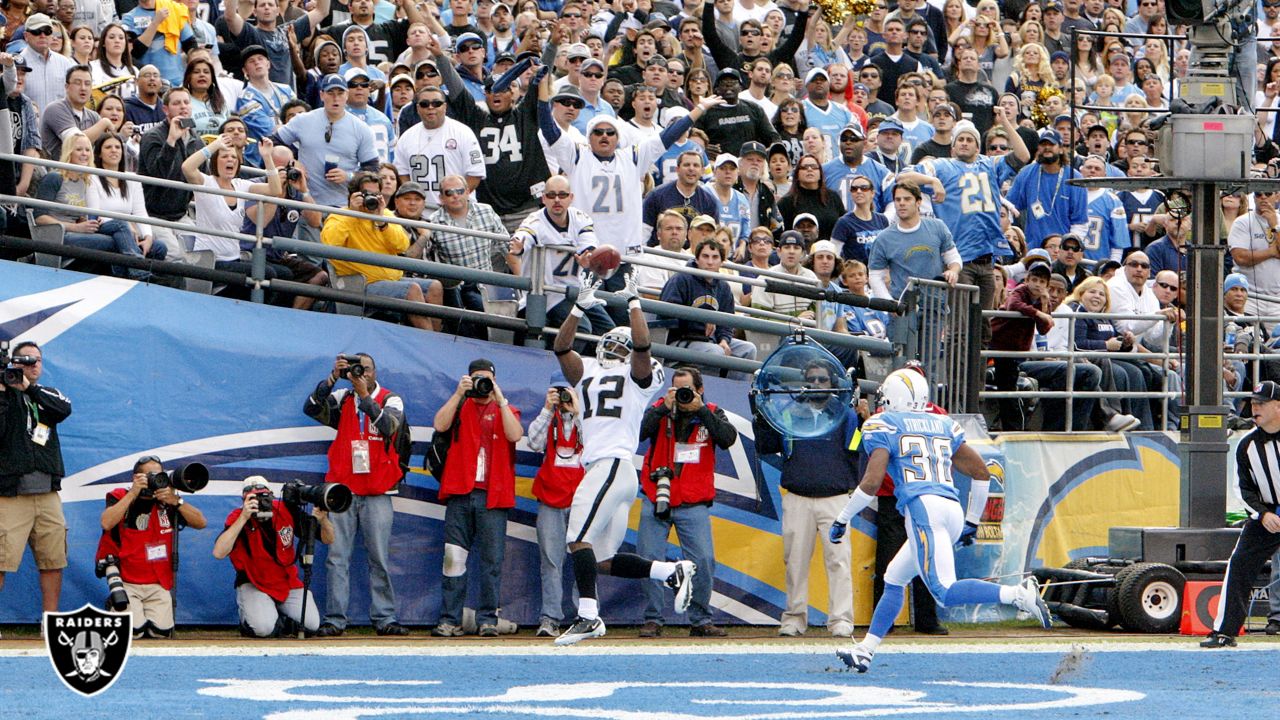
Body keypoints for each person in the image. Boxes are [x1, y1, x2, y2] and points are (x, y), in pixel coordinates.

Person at [831, 369, 1051, 672]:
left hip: (923, 509)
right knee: (894, 577)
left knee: (945, 592)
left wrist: (843, 518)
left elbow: (872, 482)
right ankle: (866, 650)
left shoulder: (882, 423)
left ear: (894, 397)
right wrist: (972, 521)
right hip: (949, 506)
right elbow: (981, 473)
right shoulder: (941, 422)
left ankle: (1017, 594)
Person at [549, 270, 696, 645]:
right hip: (607, 469)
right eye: (610, 344)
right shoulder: (589, 371)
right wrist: (578, 308)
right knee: (599, 558)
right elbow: (562, 348)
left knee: (576, 537)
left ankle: (588, 616)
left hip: (611, 465)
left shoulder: (639, 377)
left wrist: (634, 305)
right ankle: (670, 572)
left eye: (621, 346)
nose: (613, 349)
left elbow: (643, 348)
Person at [303, 353, 411, 637]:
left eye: (365, 369)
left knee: (379, 557)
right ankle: (335, 619)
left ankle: (385, 618)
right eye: (355, 369)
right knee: (337, 557)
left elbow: (389, 427)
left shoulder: (391, 398)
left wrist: (365, 396)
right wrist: (331, 378)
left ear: (375, 372)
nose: (360, 373)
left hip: (378, 490)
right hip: (344, 490)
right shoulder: (342, 396)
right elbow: (312, 407)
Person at [752, 356, 859, 637]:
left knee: (839, 561)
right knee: (795, 561)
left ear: (832, 383)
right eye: (810, 380)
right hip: (797, 496)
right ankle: (794, 617)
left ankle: (840, 620)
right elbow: (766, 445)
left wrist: (863, 419)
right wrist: (760, 413)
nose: (815, 384)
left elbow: (857, 451)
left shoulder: (845, 415)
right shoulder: (789, 413)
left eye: (822, 379)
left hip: (835, 499)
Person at [636, 366, 738, 638]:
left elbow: (728, 438)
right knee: (649, 559)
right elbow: (639, 433)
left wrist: (700, 409)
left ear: (700, 390)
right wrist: (662, 408)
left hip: (693, 500)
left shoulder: (712, 411)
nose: (682, 395)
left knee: (703, 560)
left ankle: (701, 619)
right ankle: (653, 619)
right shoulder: (659, 408)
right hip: (657, 493)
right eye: (677, 389)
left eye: (687, 390)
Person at [431, 358, 524, 637]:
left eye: (487, 379)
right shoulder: (461, 405)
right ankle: (450, 619)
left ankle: (487, 620)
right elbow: (440, 424)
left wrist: (500, 398)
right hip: (460, 493)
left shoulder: (505, 408)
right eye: (477, 379)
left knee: (492, 561)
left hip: (493, 497)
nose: (482, 385)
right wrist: (459, 393)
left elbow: (515, 434)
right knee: (453, 558)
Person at [1201, 380, 1280, 648]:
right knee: (1239, 566)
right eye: (1253, 403)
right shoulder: (1246, 444)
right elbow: (1242, 488)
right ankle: (1224, 631)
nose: (1254, 408)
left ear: (1278, 406)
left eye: (1262, 403)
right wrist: (1261, 515)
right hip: (1267, 516)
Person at [96, 456, 208, 638]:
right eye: (150, 475)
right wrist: (133, 493)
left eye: (158, 474)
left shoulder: (167, 501)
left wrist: (176, 501)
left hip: (158, 582)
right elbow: (106, 523)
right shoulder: (121, 495)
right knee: (133, 632)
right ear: (136, 478)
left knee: (161, 633)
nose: (155, 479)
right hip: (127, 581)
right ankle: (114, 606)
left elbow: (201, 522)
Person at [0, 342, 71, 622]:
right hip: (10, 494)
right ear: (13, 362)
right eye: (25, 360)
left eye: (36, 360)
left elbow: (63, 410)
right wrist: (5, 393)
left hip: (47, 494)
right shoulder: (3, 392)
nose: (32, 365)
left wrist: (28, 387)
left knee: (53, 560)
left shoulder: (47, 393)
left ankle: (50, 621)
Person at [212, 477, 335, 637]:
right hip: (254, 581)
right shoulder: (238, 516)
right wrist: (244, 517)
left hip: (286, 580)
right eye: (254, 498)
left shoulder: (285, 510)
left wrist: (323, 520)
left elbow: (328, 539)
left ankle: (281, 617)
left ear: (271, 495)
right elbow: (218, 553)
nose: (261, 501)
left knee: (311, 624)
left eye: (264, 496)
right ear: (244, 499)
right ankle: (249, 619)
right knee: (263, 629)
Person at [321, 172, 443, 332]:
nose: (371, 198)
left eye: (375, 194)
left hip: (392, 279)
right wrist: (352, 213)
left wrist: (381, 222)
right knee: (412, 289)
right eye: (366, 194)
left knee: (435, 287)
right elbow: (330, 245)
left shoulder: (384, 214)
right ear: (353, 195)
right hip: (360, 284)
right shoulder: (339, 216)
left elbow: (402, 245)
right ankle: (429, 344)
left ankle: (439, 338)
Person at [511, 175, 612, 340]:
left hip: (574, 290)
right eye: (551, 195)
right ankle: (562, 363)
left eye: (562, 195)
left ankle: (589, 363)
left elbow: (589, 243)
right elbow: (525, 235)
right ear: (543, 198)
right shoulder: (535, 220)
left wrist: (588, 257)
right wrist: (519, 246)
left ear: (571, 197)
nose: (557, 200)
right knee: (581, 329)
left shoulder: (580, 218)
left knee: (608, 330)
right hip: (547, 292)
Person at [526, 379, 585, 638]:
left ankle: (586, 616)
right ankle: (550, 618)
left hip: (582, 499)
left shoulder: (586, 418)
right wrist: (547, 409)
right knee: (551, 560)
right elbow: (534, 443)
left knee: (584, 560)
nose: (562, 397)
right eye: (557, 392)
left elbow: (596, 444)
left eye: (566, 392)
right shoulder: (548, 417)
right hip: (550, 499)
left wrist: (578, 412)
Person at [423, 174, 513, 340]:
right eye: (449, 193)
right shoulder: (433, 222)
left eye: (460, 191)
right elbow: (425, 262)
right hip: (457, 289)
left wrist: (521, 282)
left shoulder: (486, 211)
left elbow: (507, 249)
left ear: (468, 192)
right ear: (441, 197)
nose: (455, 195)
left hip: (488, 284)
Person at [659, 238, 758, 379]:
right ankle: (707, 392)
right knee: (716, 352)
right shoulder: (681, 279)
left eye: (715, 257)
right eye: (705, 256)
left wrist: (724, 340)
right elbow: (666, 316)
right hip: (680, 340)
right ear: (697, 259)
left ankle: (735, 394)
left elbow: (727, 322)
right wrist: (701, 320)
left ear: (722, 262)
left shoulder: (723, 287)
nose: (710, 262)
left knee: (747, 349)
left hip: (711, 340)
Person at [139, 87, 207, 263]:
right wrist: (171, 141)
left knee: (200, 256)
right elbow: (158, 174)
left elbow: (203, 179)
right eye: (176, 103)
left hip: (181, 215)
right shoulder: (152, 136)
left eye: (186, 102)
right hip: (153, 215)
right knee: (175, 257)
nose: (183, 107)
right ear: (166, 109)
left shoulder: (196, 141)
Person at [394, 84, 486, 207]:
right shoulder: (406, 137)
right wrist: (414, 198)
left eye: (436, 103)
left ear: (445, 106)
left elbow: (475, 174)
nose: (430, 107)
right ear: (417, 108)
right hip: (422, 212)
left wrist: (454, 199)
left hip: (458, 209)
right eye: (424, 104)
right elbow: (402, 173)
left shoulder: (463, 132)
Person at [868, 181, 961, 301]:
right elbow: (875, 276)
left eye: (907, 199)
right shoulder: (883, 238)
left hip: (936, 306)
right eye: (898, 200)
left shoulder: (938, 227)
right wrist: (890, 304)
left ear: (918, 202)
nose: (901, 203)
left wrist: (953, 271)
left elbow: (953, 258)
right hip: (904, 308)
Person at [990, 261, 1055, 430]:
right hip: (997, 343)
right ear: (1027, 280)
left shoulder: (1042, 300)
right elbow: (1014, 305)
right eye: (1034, 279)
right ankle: (1012, 428)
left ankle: (1013, 428)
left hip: (1015, 351)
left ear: (1047, 285)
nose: (1037, 285)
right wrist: (1038, 313)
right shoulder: (1020, 291)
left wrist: (1045, 305)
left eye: (1042, 282)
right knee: (1005, 389)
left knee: (1009, 389)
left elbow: (1044, 328)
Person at [1005, 128, 1088, 250]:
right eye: (1043, 144)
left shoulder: (1074, 178)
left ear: (1060, 149)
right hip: (1033, 249)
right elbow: (1009, 207)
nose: (1047, 147)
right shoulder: (1027, 173)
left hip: (1061, 250)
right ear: (1038, 149)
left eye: (1051, 144)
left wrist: (1068, 248)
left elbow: (1080, 223)